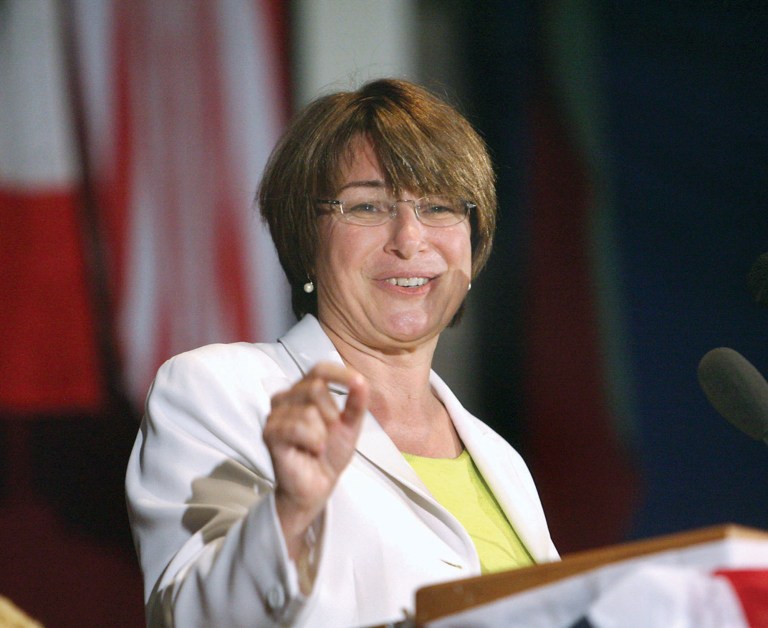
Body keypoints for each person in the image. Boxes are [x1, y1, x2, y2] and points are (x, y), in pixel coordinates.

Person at [126, 78, 558, 627]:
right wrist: (289, 513)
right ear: (307, 242)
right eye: (367, 206)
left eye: (438, 206)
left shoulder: (502, 463)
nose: (410, 238)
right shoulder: (219, 391)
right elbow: (190, 618)